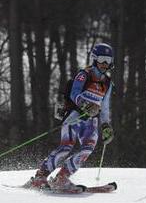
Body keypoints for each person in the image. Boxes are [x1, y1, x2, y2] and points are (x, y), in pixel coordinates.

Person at [25, 43, 115, 190]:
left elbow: (104, 107)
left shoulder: (108, 83)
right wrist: (86, 105)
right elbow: (74, 93)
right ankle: (41, 176)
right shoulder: (84, 74)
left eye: (109, 60)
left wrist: (105, 124)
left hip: (91, 121)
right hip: (75, 116)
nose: (105, 64)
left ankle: (62, 177)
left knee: (87, 149)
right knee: (66, 147)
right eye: (102, 59)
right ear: (94, 58)